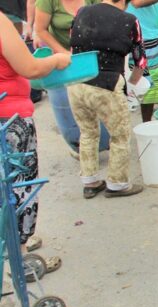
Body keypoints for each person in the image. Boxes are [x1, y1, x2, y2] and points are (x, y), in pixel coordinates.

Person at [0, 10, 68, 270]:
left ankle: (15, 242)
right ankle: (22, 256)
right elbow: (29, 67)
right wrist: (56, 60)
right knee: (19, 186)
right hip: (10, 119)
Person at [68, 0, 147, 198]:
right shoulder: (129, 20)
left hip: (76, 83)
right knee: (120, 136)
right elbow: (140, 59)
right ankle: (117, 184)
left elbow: (71, 45)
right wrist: (133, 83)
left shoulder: (82, 12)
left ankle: (90, 182)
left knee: (87, 132)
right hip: (107, 83)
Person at [33, 0, 110, 154]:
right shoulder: (47, 1)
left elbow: (106, 16)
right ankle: (79, 147)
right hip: (62, 62)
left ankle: (105, 142)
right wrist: (62, 52)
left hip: (89, 58)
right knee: (68, 109)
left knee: (101, 103)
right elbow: (41, 30)